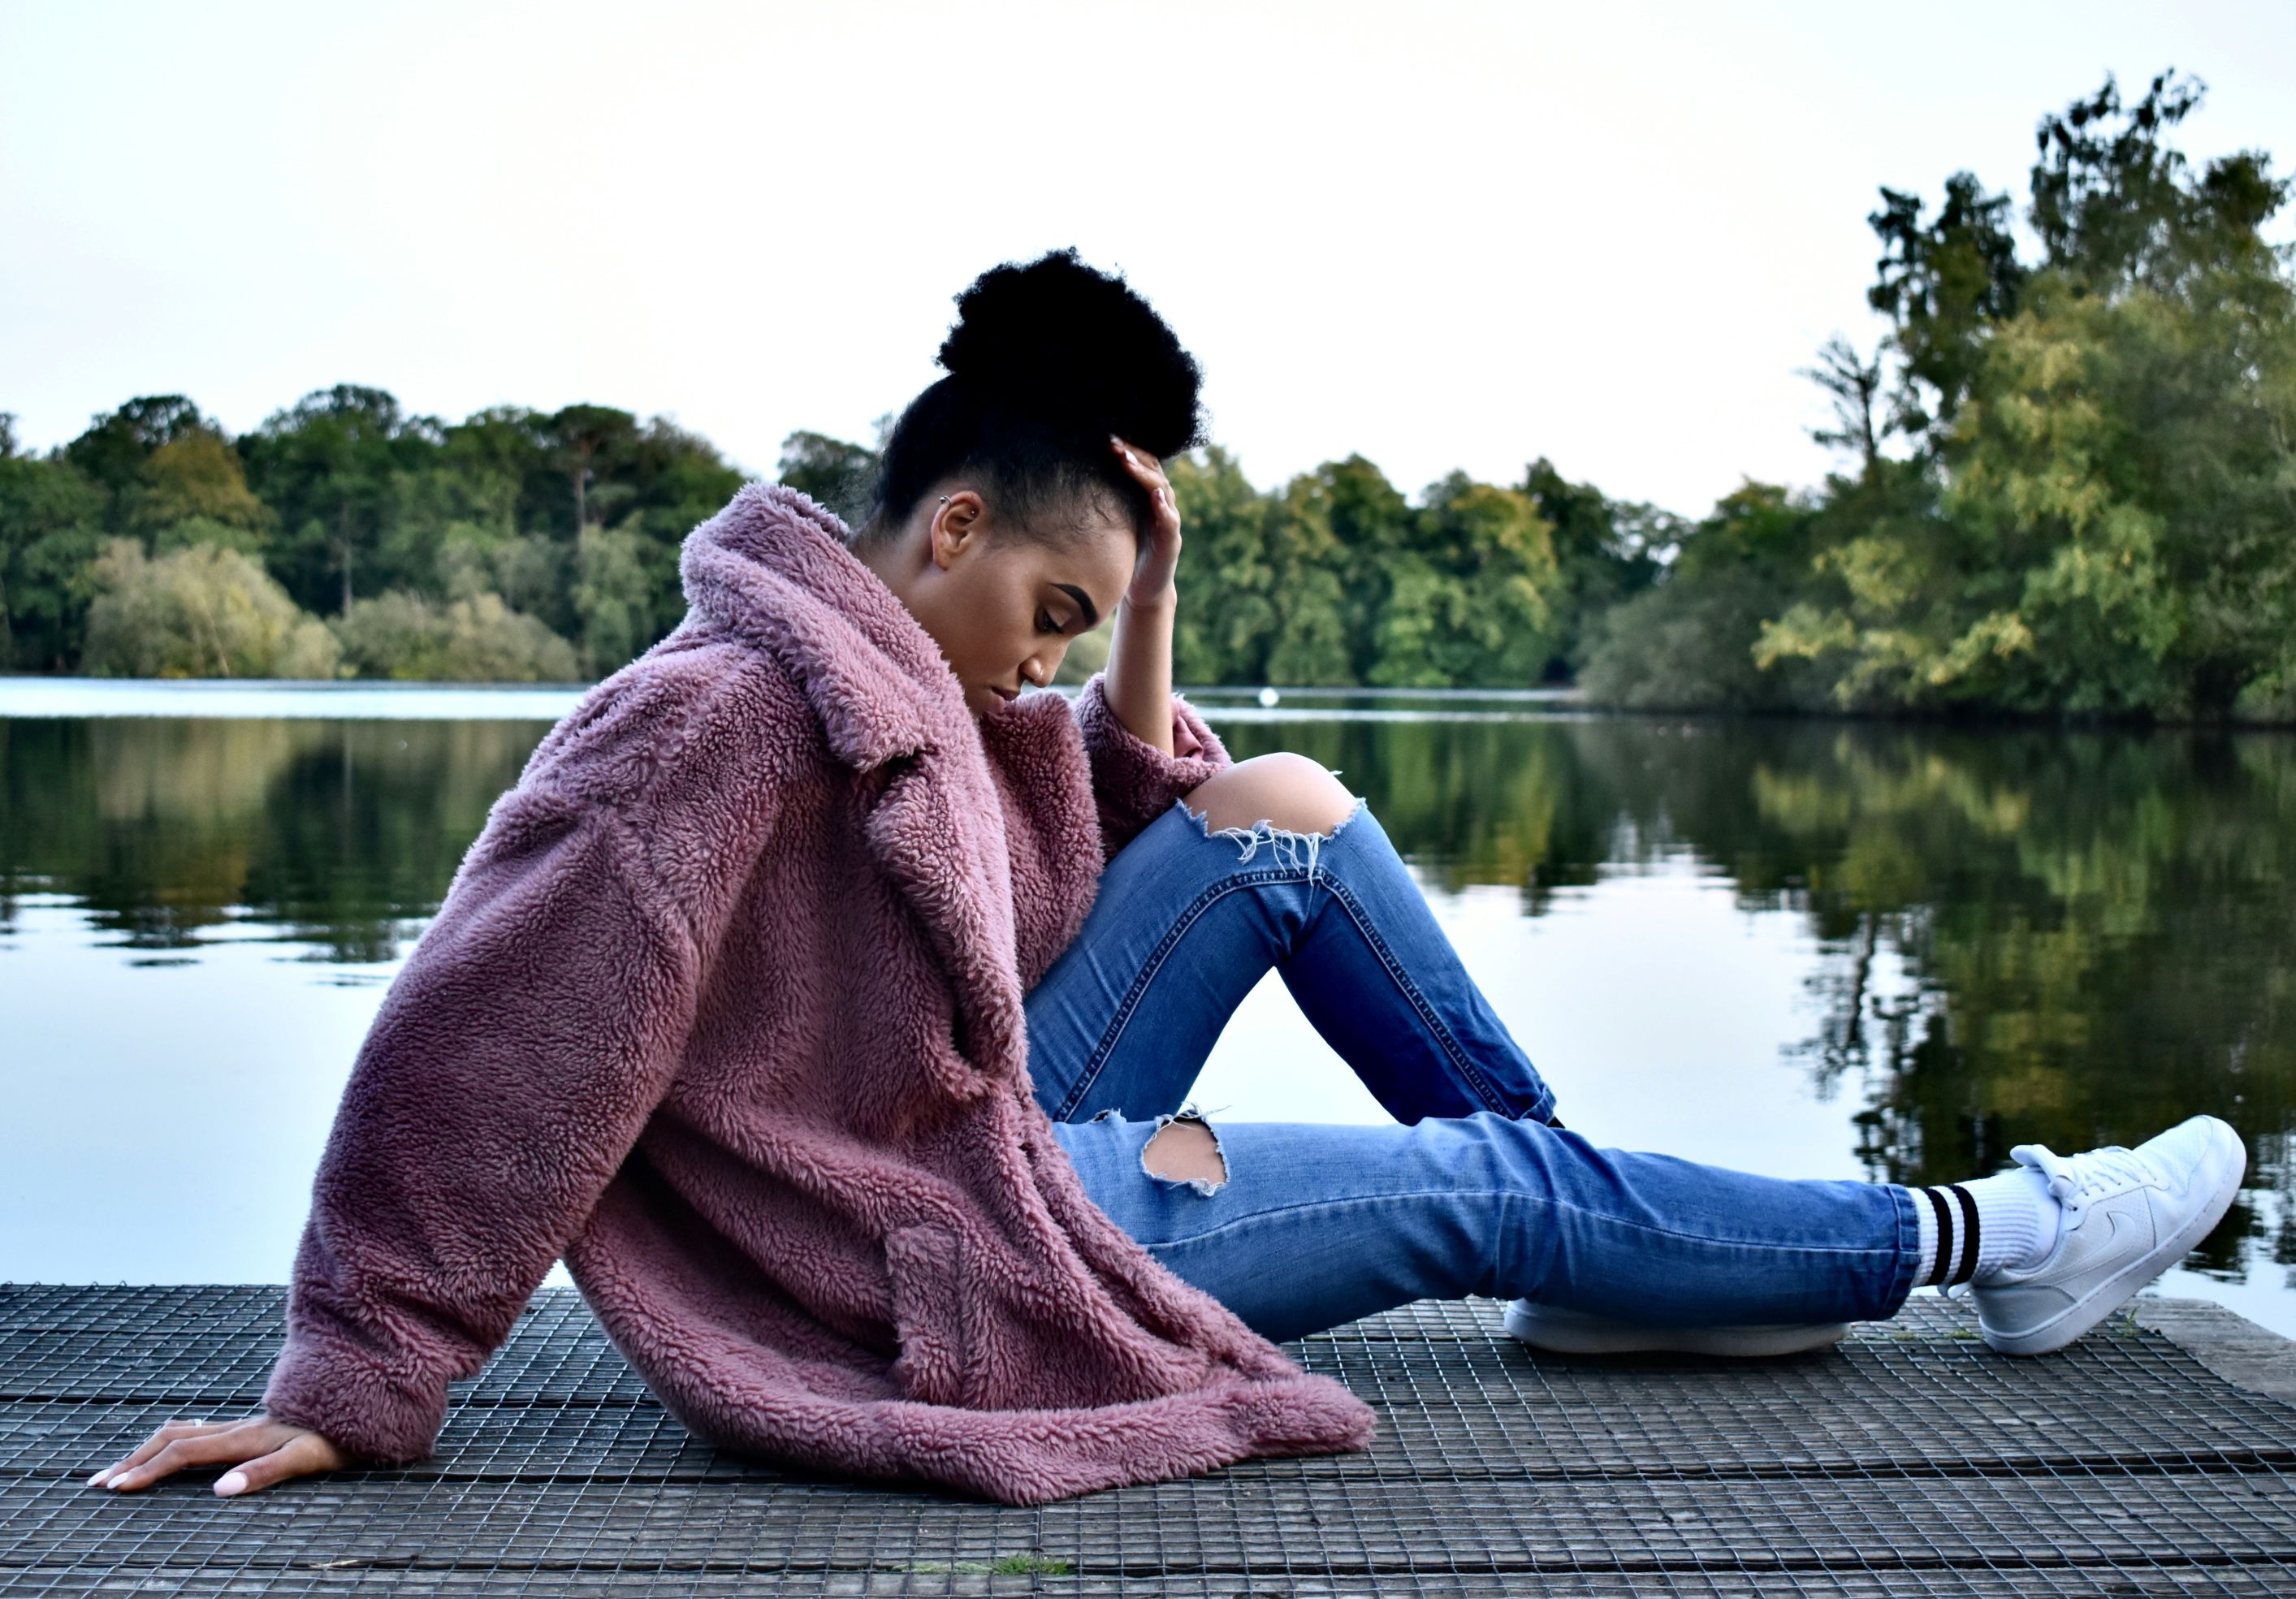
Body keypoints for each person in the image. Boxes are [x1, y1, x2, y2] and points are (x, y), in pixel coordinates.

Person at [91, 250, 2246, 1506]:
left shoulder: (891, 670)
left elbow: (1093, 844)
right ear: (945, 530)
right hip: (926, 1259)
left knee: (1283, 809)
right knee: (1478, 1198)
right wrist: (355, 1372)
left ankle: (1618, 1230)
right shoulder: (721, 713)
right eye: (1045, 606)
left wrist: (1141, 606)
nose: (1044, 666)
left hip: (981, 1129)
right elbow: (492, 1036)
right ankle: (1993, 1235)